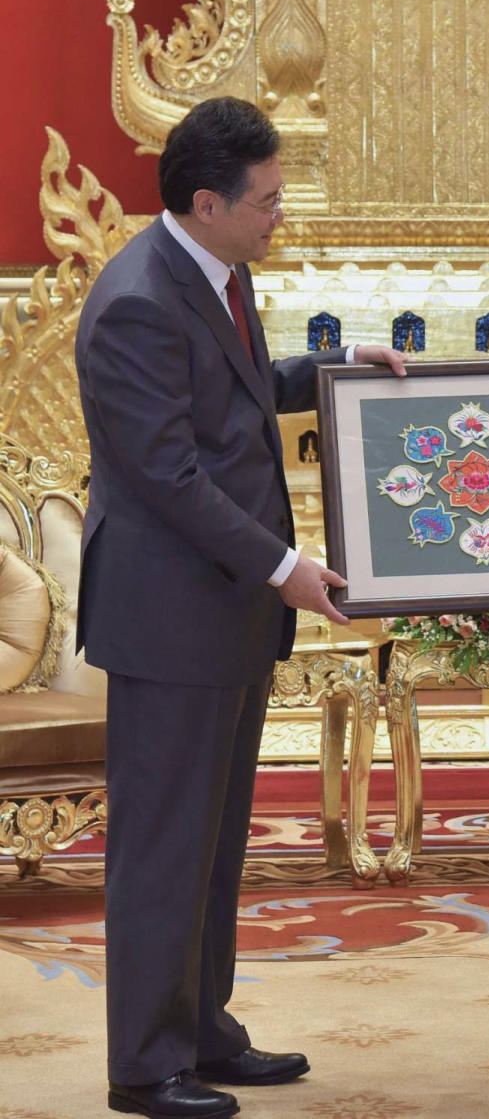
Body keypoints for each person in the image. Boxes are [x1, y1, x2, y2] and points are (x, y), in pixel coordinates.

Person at [75, 96, 406, 1119]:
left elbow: (238, 390)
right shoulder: (134, 297)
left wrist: (337, 370)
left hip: (222, 615)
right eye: (265, 201)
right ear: (206, 200)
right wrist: (283, 566)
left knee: (215, 842)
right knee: (164, 843)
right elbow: (170, 473)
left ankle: (201, 1026)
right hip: (171, 615)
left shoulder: (215, 272)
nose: (279, 216)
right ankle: (144, 1063)